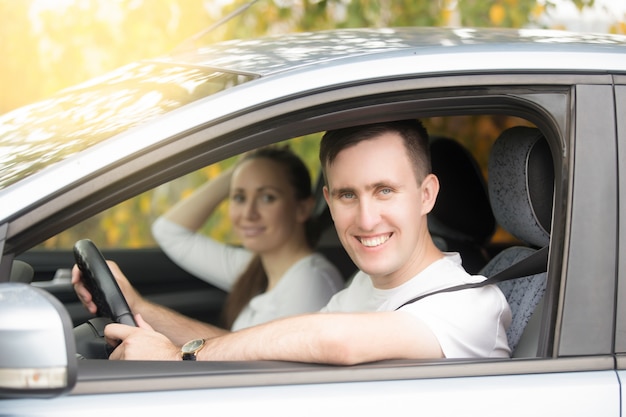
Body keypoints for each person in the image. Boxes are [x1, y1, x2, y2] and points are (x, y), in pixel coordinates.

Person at [74, 119, 511, 363]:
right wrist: (143, 310)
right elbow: (261, 345)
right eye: (347, 195)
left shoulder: (470, 305)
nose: (365, 217)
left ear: (427, 194)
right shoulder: (362, 289)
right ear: (328, 201)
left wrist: (176, 360)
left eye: (385, 190)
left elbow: (334, 341)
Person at [151, 146, 344, 333]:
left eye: (267, 198)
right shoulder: (254, 269)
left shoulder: (310, 280)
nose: (248, 213)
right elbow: (169, 231)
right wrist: (241, 169)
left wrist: (144, 309)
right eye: (239, 197)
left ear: (302, 209)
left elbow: (262, 361)